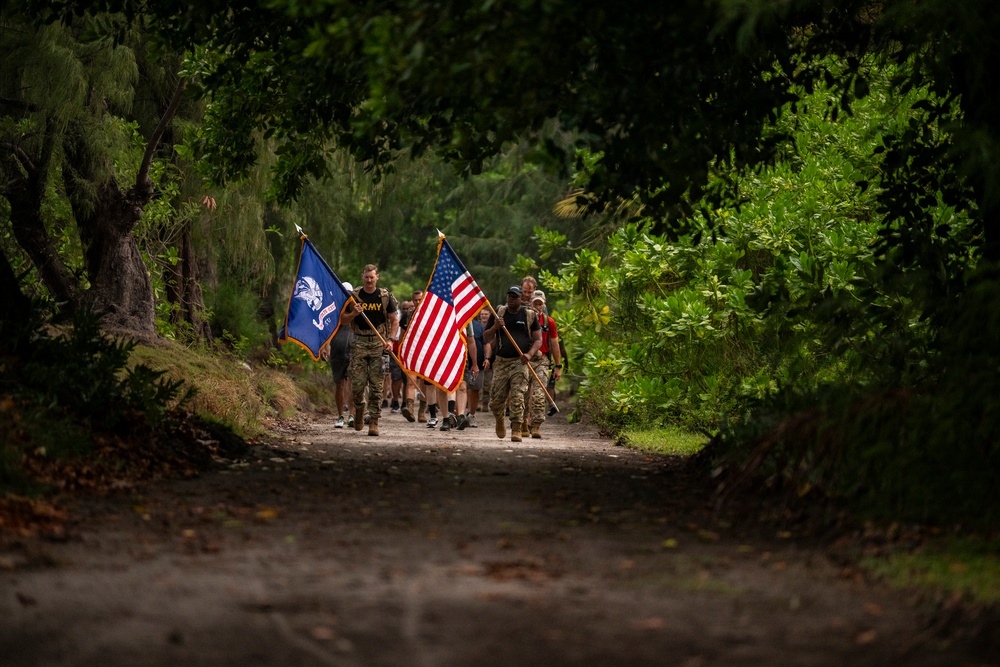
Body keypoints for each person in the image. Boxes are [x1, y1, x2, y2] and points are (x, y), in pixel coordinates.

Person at [342, 264, 399, 436]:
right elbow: (343, 320)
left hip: (379, 345)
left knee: (377, 386)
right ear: (362, 277)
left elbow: (394, 320)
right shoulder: (354, 297)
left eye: (372, 277)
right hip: (359, 343)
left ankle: (374, 420)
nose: (369, 280)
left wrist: (390, 339)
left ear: (377, 277)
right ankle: (359, 409)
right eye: (366, 277)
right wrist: (354, 314)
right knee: (357, 385)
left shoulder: (385, 296)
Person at [483, 286, 541, 442]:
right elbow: (486, 337)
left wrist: (529, 354)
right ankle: (499, 418)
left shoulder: (529, 315)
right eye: (509, 296)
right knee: (495, 401)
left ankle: (516, 428)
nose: (511, 299)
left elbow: (538, 339)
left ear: (521, 299)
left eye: (515, 297)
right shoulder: (499, 313)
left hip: (519, 362)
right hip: (501, 362)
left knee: (518, 396)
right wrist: (495, 326)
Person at [525, 290, 561, 439]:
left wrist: (558, 366)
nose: (538, 306)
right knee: (523, 394)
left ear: (544, 304)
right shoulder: (523, 318)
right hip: (525, 360)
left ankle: (536, 424)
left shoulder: (548, 322)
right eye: (535, 303)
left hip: (542, 361)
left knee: (539, 394)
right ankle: (522, 423)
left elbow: (554, 343)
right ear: (530, 303)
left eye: (540, 303)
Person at [325, 281, 357, 429]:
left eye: (348, 293)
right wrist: (326, 346)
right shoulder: (333, 309)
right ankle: (340, 416)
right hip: (337, 348)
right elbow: (327, 329)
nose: (346, 296)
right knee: (340, 382)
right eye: (344, 292)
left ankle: (352, 414)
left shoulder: (358, 306)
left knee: (352, 381)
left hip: (354, 347)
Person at [457, 310, 487, 429]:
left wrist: (487, 358)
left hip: (476, 363)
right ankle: (458, 415)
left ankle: (471, 414)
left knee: (475, 389)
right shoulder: (455, 322)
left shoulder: (479, 327)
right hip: (458, 361)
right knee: (461, 388)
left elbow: (485, 344)